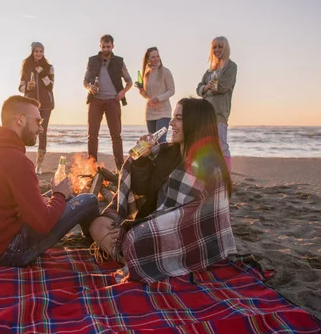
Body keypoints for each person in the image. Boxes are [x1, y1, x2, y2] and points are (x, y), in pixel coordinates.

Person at [88, 97, 236, 283]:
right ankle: (136, 259)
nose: (171, 123)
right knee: (98, 225)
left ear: (195, 123)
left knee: (136, 240)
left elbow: (198, 219)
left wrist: (146, 228)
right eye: (173, 117)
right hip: (149, 223)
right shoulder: (165, 153)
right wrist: (142, 159)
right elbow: (143, 189)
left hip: (182, 235)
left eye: (178, 118)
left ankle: (137, 258)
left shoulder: (209, 166)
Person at [0, 95, 99, 267]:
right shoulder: (16, 160)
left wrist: (55, 196)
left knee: (58, 196)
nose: (40, 129)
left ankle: (92, 235)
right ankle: (96, 240)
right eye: (38, 121)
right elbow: (43, 223)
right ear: (20, 120)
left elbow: (7, 203)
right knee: (88, 200)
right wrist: (59, 195)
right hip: (6, 252)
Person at [83, 34, 132, 170]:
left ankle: (120, 167)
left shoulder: (119, 62)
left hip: (113, 101)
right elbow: (85, 81)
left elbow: (129, 81)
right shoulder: (92, 61)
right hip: (95, 101)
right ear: (100, 46)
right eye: (103, 46)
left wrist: (123, 92)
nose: (106, 49)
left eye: (108, 47)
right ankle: (92, 168)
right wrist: (89, 87)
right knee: (92, 135)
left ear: (113, 46)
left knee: (116, 135)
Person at [196, 36, 237, 171]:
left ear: (226, 49)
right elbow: (199, 88)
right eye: (214, 47)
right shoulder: (210, 70)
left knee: (221, 146)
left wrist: (208, 89)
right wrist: (206, 88)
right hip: (205, 113)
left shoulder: (231, 67)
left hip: (219, 112)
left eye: (220, 47)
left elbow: (222, 87)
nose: (217, 50)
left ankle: (226, 177)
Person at [18, 42, 55, 174]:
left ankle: (38, 166)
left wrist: (42, 72)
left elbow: (50, 85)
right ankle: (21, 160)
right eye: (36, 51)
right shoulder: (26, 67)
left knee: (42, 133)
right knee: (26, 131)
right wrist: (28, 86)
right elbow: (21, 87)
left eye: (41, 51)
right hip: (30, 104)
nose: (38, 53)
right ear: (32, 52)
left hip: (46, 105)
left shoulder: (49, 67)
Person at [136, 47, 175, 142]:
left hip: (164, 112)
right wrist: (141, 90)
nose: (157, 59)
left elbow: (171, 90)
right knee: (152, 143)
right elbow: (147, 96)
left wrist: (158, 98)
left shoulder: (165, 71)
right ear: (148, 59)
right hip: (150, 113)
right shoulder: (146, 74)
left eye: (158, 56)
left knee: (161, 141)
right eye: (153, 57)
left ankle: (164, 157)